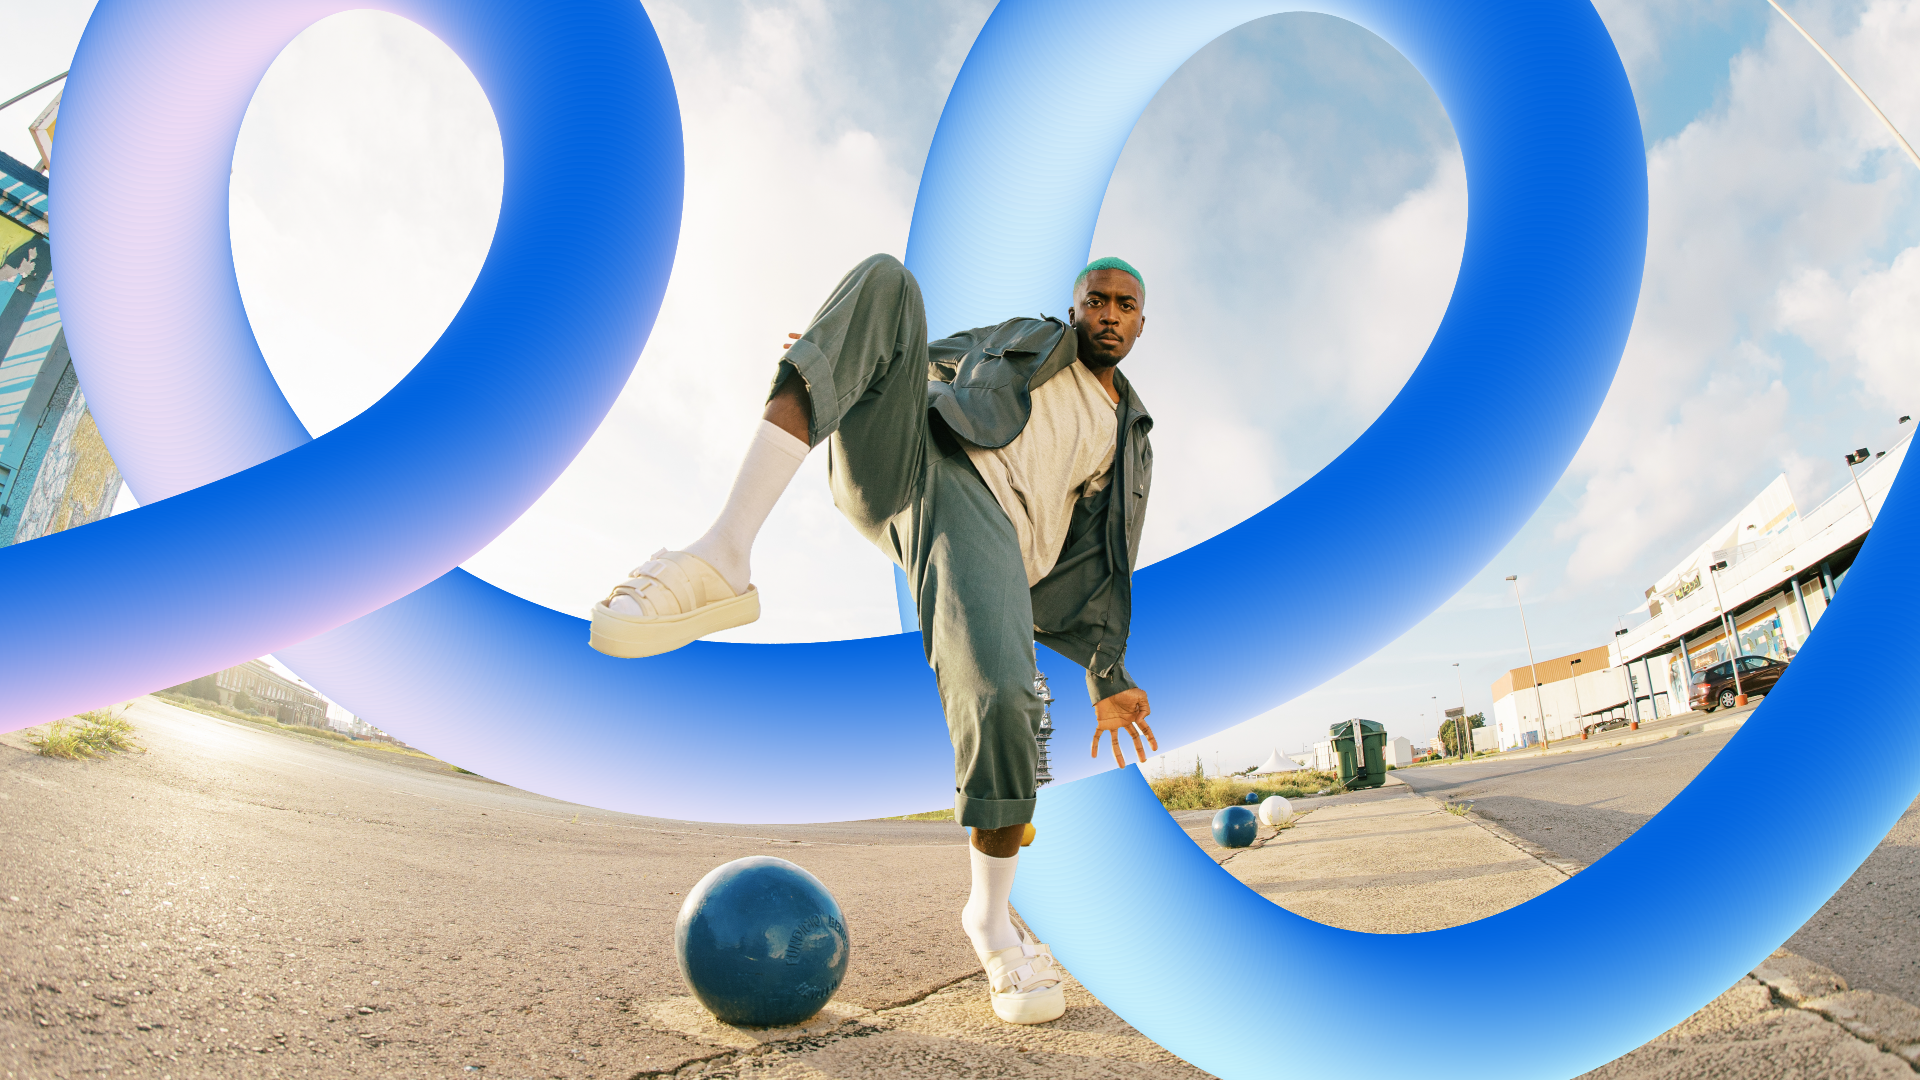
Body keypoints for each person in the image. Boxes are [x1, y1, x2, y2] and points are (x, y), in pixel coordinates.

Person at [590, 253, 1159, 1025]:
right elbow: (916, 351)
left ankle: (989, 920)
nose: (1110, 314)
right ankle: (723, 556)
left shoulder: (1127, 431)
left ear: (1140, 321)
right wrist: (838, 350)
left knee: (1000, 698)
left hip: (990, 528)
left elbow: (1105, 558)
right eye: (1097, 300)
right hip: (917, 452)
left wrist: (1106, 673)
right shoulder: (1024, 338)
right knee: (888, 281)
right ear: (1076, 305)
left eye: (1126, 305)